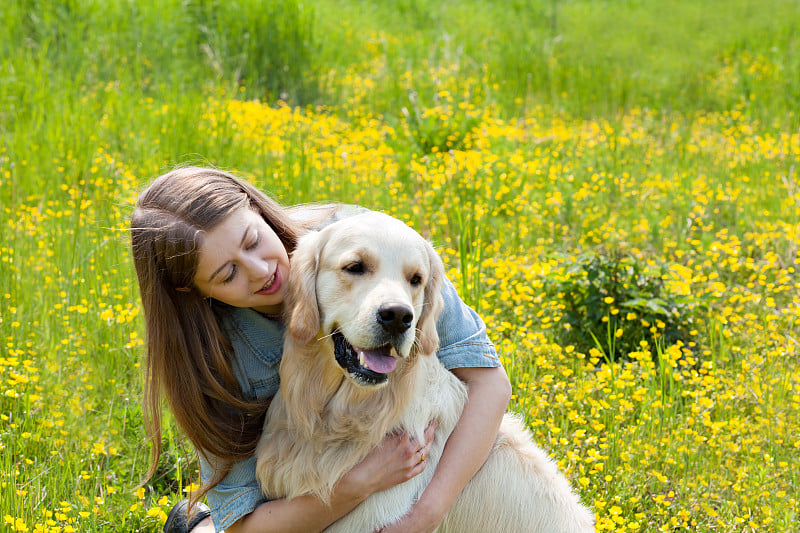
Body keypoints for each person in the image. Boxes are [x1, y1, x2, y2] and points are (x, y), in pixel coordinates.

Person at [130, 167, 512, 533]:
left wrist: (427, 513)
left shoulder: (374, 241)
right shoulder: (216, 361)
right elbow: (244, 525)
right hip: (295, 504)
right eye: (228, 273)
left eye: (252, 241)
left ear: (256, 208)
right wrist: (358, 484)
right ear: (192, 290)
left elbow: (489, 381)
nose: (261, 270)